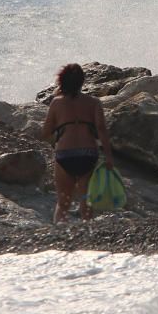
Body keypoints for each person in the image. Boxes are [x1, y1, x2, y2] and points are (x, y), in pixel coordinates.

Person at [41, 63, 114, 223]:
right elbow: (101, 129)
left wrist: (59, 133)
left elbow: (45, 132)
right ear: (82, 82)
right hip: (88, 154)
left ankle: (60, 235)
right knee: (85, 198)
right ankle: (87, 231)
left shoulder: (56, 103)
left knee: (63, 202)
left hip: (65, 154)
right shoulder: (94, 102)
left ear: (62, 81)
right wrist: (108, 157)